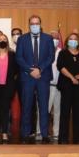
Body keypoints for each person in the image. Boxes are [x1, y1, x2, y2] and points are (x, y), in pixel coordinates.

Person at [16, 15, 55, 144]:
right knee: (26, 106)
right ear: (29, 25)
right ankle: (25, 133)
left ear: (40, 24)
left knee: (44, 107)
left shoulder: (48, 39)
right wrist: (30, 70)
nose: (34, 25)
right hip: (28, 78)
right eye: (32, 23)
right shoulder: (22, 39)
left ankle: (44, 134)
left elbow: (51, 57)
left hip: (43, 77)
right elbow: (19, 58)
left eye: (37, 23)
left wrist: (40, 69)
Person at [57, 33, 79, 144]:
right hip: (66, 87)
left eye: (75, 39)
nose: (73, 41)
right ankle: (63, 138)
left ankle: (78, 138)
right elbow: (60, 67)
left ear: (78, 42)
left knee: (78, 113)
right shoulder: (63, 53)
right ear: (67, 41)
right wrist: (72, 78)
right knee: (65, 113)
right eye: (71, 39)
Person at [0, 34, 17, 143]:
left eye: (4, 39)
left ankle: (5, 132)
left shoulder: (12, 55)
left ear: (7, 41)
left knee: (6, 110)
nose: (2, 41)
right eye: (0, 39)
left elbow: (16, 70)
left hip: (8, 87)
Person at [36, 30, 62, 141]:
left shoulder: (62, 52)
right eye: (52, 38)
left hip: (59, 86)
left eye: (57, 38)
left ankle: (56, 133)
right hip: (47, 85)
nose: (54, 40)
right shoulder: (44, 51)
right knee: (43, 109)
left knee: (57, 111)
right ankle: (40, 132)